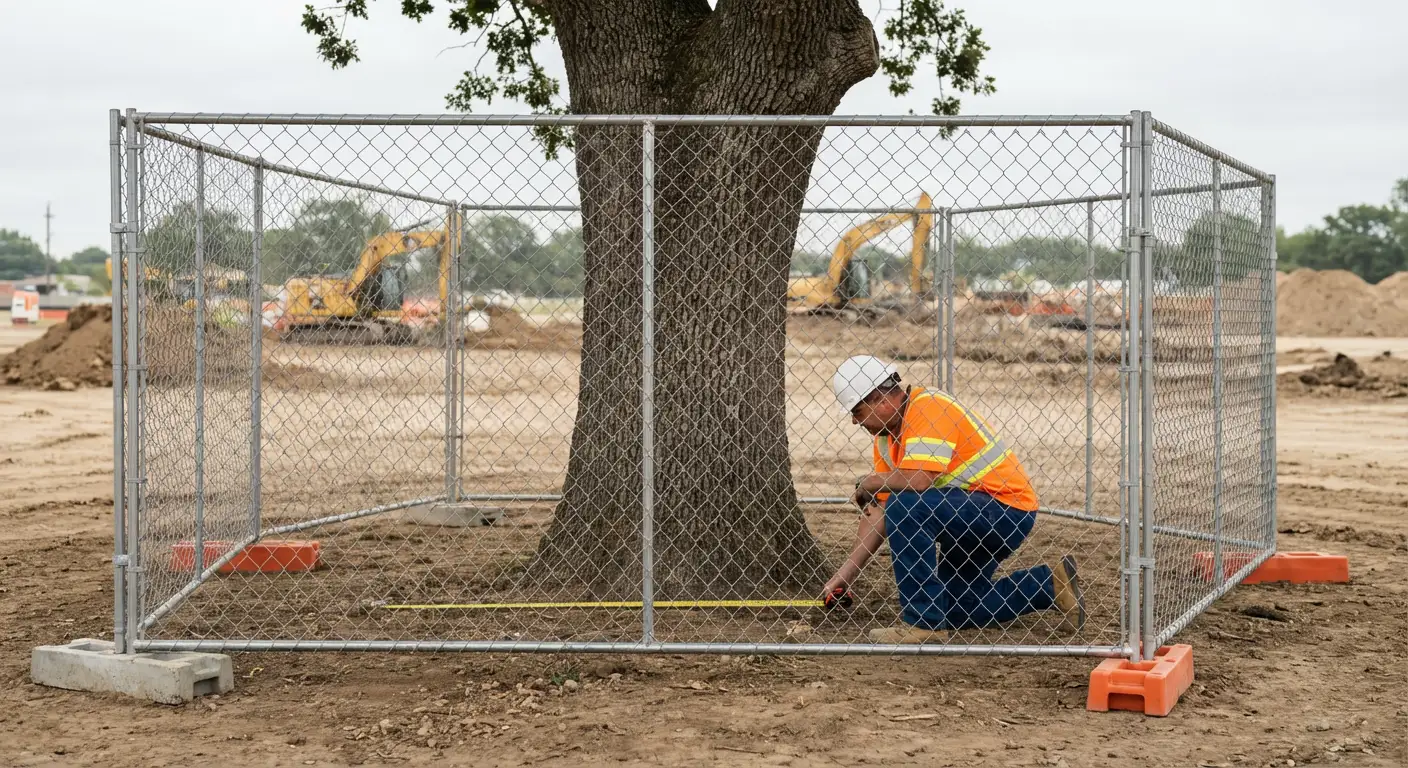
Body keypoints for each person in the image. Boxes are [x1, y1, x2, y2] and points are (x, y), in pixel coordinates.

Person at [822, 355, 1084, 643]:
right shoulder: (886, 438)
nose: (854, 421)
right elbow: (880, 511)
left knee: (905, 505)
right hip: (968, 520)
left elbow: (918, 480)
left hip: (1004, 512)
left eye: (857, 411)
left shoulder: (929, 407)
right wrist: (845, 576)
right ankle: (1048, 585)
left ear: (880, 399)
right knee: (956, 610)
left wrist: (870, 481)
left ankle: (923, 624)